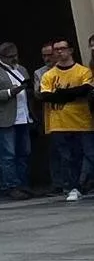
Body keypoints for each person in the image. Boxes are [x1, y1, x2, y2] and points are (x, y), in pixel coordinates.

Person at [39, 38, 94, 201]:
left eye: (63, 48)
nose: (59, 52)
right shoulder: (48, 75)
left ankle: (85, 184)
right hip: (59, 123)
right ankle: (74, 187)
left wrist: (61, 95)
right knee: (67, 158)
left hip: (82, 121)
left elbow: (86, 90)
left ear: (70, 50)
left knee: (89, 155)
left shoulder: (83, 71)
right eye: (56, 50)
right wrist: (72, 94)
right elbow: (45, 96)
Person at [0, 42, 36, 199]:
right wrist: (9, 92)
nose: (14, 59)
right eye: (10, 57)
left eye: (16, 55)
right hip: (5, 119)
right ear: (1, 57)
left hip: (23, 117)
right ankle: (12, 186)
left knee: (24, 153)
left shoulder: (21, 69)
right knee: (8, 155)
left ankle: (24, 185)